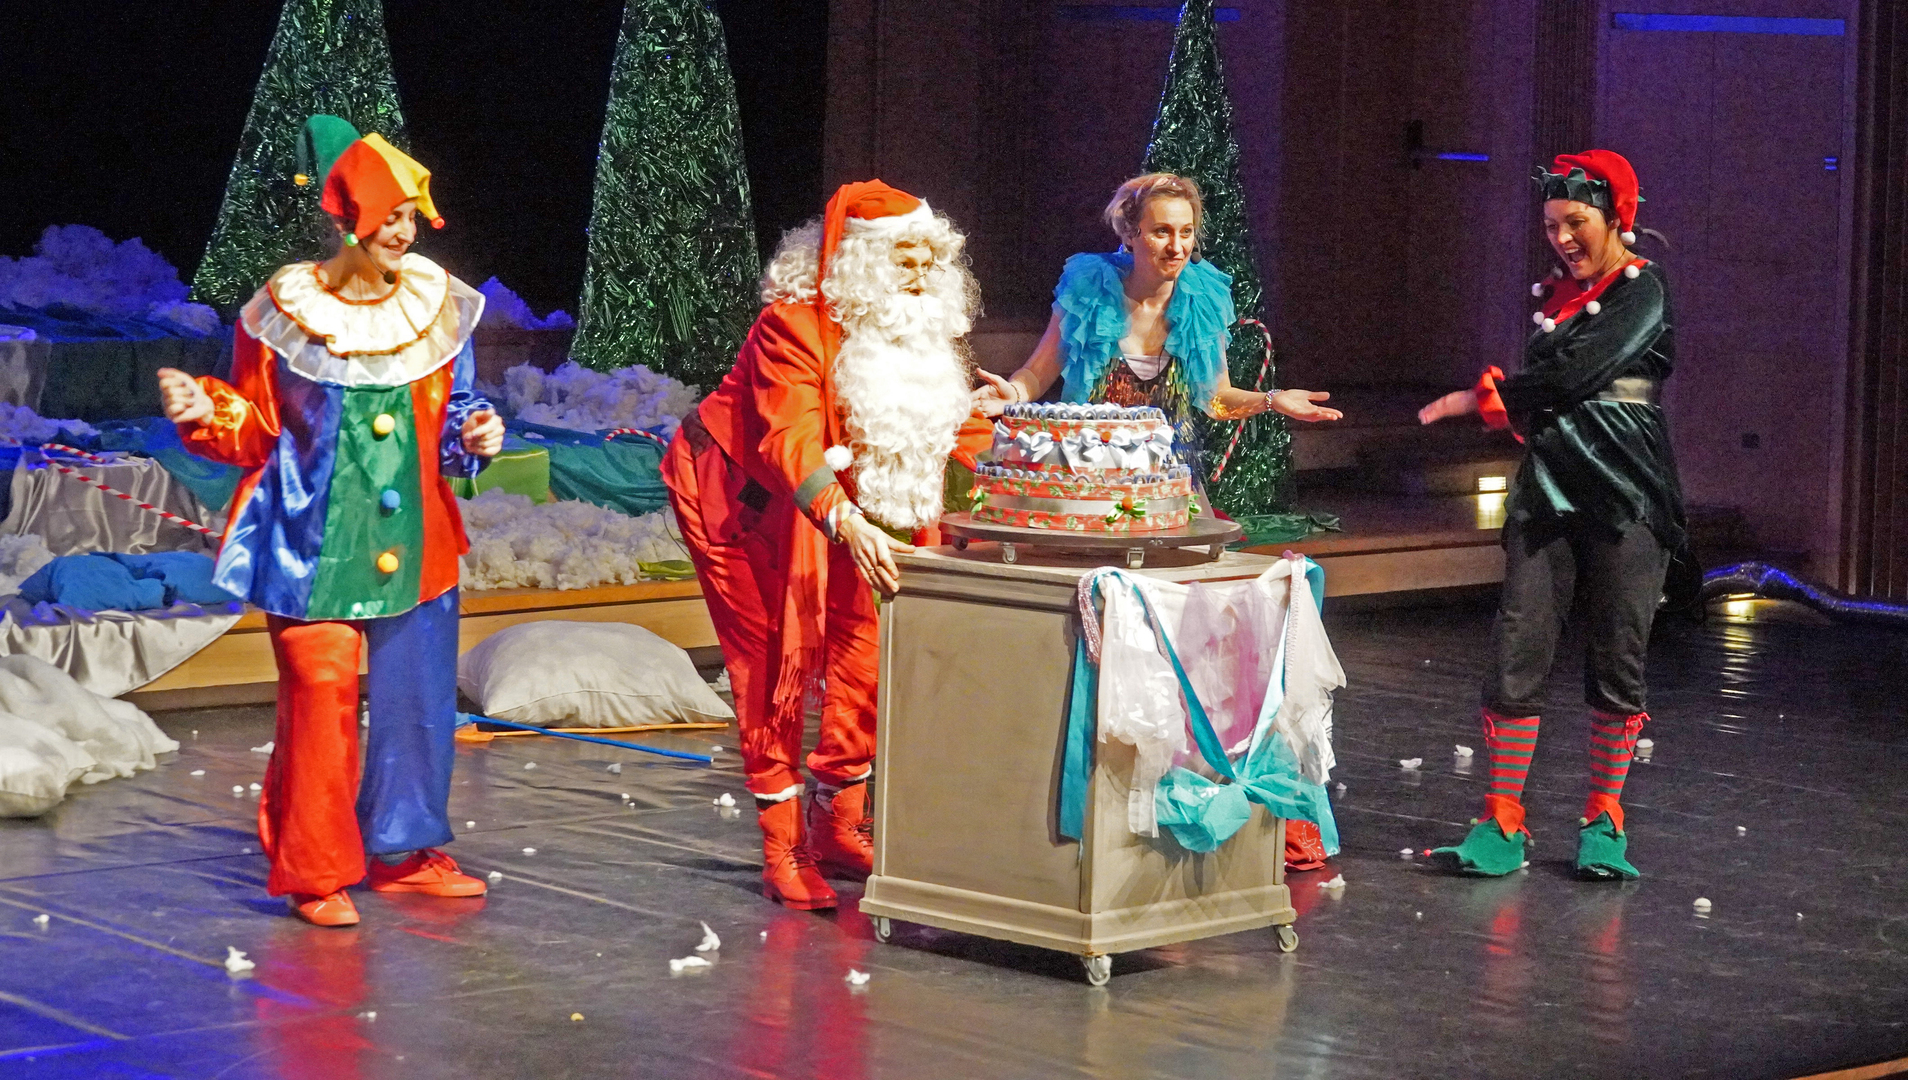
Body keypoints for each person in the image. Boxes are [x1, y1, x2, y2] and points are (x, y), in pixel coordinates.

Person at [157, 115, 504, 925]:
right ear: (350, 218)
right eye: (390, 217)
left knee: (416, 704)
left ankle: (405, 851)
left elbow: (458, 413)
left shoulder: (439, 306)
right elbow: (255, 424)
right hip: (310, 545)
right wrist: (204, 409)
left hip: (418, 543)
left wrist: (476, 435)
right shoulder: (284, 309)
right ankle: (315, 869)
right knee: (319, 698)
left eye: (411, 217)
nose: (404, 233)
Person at [970, 171, 1343, 870]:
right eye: (1162, 232)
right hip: (1091, 489)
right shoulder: (1089, 286)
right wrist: (1007, 396)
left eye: (1186, 233)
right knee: (1108, 641)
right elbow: (1040, 372)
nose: (1176, 246)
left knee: (1193, 643)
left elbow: (1214, 398)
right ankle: (1104, 794)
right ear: (1131, 234)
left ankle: (1208, 791)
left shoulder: (1200, 295)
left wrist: (1271, 401)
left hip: (1171, 491)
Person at [663, 180, 989, 910]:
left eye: (930, 260)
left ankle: (839, 823)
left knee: (864, 649)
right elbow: (788, 439)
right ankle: (783, 845)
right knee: (773, 659)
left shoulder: (920, 329)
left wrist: (1024, 461)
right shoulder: (790, 326)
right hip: (739, 499)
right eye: (905, 259)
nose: (920, 275)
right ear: (860, 262)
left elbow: (956, 428)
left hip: (846, 507)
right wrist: (843, 519)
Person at [1419, 150, 1686, 880]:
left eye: (1575, 221)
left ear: (1615, 216)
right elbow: (1555, 393)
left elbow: (1574, 375)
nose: (1562, 237)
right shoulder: (1558, 299)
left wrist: (1483, 397)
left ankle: (1604, 818)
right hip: (1550, 490)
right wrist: (1513, 407)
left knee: (1618, 653)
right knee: (1518, 646)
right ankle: (1503, 821)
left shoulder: (1643, 288)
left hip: (1626, 491)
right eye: (1549, 225)